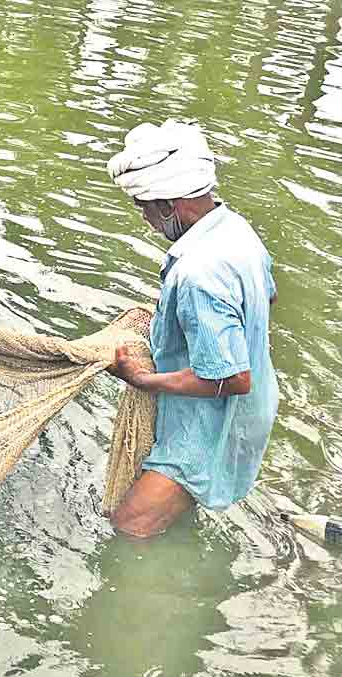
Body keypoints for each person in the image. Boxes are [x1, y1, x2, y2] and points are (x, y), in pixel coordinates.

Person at [106, 119, 279, 538]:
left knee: (129, 527)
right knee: (169, 518)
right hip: (253, 408)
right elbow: (266, 297)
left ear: (169, 206)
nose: (146, 219)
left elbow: (231, 378)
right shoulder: (234, 229)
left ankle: (150, 600)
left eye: (144, 207)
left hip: (210, 428)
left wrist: (143, 379)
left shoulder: (199, 273)